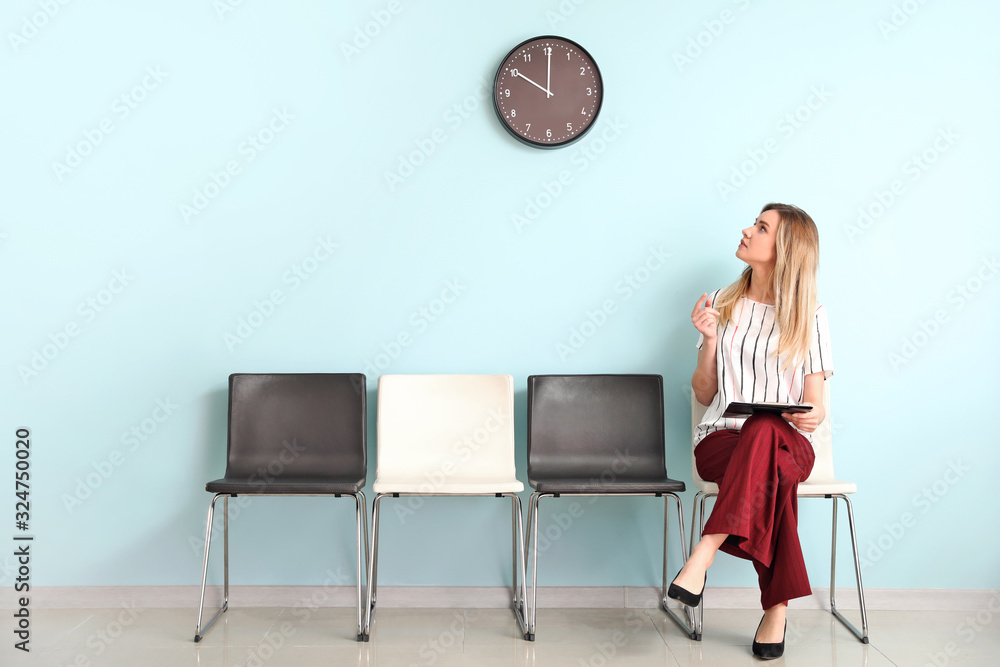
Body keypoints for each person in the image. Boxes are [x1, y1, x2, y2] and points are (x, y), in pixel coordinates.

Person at [667, 202, 833, 660]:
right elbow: (704, 394)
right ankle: (775, 609)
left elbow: (816, 404)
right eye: (754, 223)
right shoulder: (724, 303)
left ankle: (705, 552)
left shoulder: (811, 313)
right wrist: (709, 342)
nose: (746, 230)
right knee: (771, 474)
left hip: (788, 444)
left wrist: (812, 416)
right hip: (721, 441)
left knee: (765, 427)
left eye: (760, 228)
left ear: (784, 249)